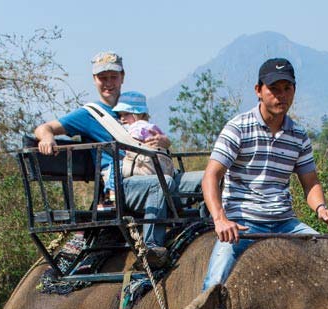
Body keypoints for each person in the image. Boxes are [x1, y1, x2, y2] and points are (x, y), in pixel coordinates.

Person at [33, 52, 202, 267]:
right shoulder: (90, 115)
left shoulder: (133, 107)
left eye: (113, 77)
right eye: (102, 78)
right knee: (161, 185)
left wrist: (163, 143)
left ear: (122, 76)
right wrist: (47, 137)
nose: (108, 83)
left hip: (151, 174)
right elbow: (44, 127)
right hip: (122, 187)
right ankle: (151, 248)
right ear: (95, 80)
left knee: (206, 178)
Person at [201, 57, 328, 290]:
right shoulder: (238, 128)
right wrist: (221, 220)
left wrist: (321, 208)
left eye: (287, 89)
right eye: (273, 89)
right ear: (258, 90)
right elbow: (211, 176)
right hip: (244, 224)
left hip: (286, 223)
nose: (281, 96)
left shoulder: (298, 135)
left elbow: (310, 182)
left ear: (294, 90)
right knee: (215, 282)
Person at [111, 91, 175, 178]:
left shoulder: (136, 127)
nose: (122, 118)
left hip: (143, 167)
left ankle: (112, 191)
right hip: (160, 167)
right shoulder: (152, 127)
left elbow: (132, 142)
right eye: (120, 115)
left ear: (138, 114)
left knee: (112, 168)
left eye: (126, 114)